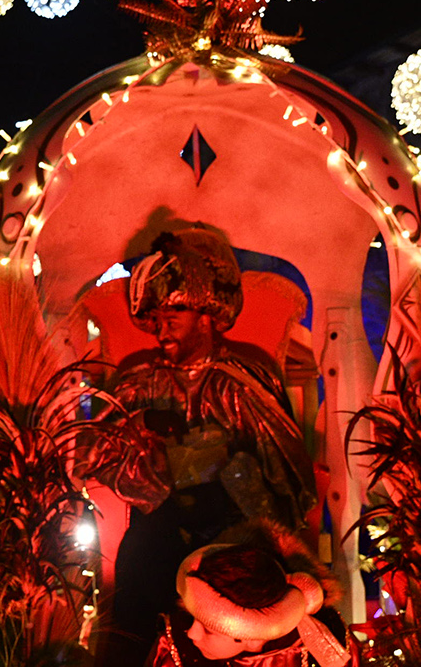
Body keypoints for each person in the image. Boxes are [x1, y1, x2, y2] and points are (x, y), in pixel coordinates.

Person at [90, 225, 317, 665]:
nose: (161, 330)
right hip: (157, 532)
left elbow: (287, 477)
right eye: (155, 320)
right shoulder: (139, 383)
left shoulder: (246, 379)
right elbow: (97, 456)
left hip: (232, 535)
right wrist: (141, 433)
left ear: (206, 316)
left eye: (172, 318)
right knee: (139, 566)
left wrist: (230, 468)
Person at [147, 523, 353, 667]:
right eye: (194, 617)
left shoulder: (323, 644)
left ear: (254, 639)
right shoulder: (175, 648)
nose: (191, 633)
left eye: (210, 630)